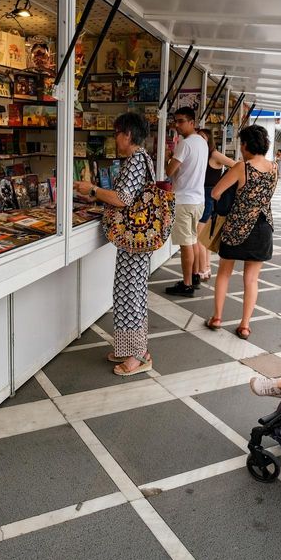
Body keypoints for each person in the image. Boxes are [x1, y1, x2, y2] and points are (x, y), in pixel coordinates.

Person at [73, 113, 156, 376]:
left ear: (127, 135)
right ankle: (129, 348)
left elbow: (124, 198)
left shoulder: (134, 161)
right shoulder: (142, 158)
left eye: (117, 133)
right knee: (129, 293)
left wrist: (93, 190)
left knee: (129, 295)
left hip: (133, 241)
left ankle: (138, 355)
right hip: (136, 239)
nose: (115, 138)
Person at [204, 126, 276, 340]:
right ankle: (244, 325)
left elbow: (216, 193)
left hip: (236, 228)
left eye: (241, 144)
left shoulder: (241, 168)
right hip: (262, 228)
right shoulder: (274, 168)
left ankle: (217, 318)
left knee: (224, 272)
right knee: (252, 279)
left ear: (246, 144)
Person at [164, 107, 208, 297]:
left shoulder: (185, 144)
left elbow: (169, 171)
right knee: (193, 239)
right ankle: (194, 276)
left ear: (192, 122)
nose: (177, 125)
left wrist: (168, 156)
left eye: (181, 121)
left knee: (186, 244)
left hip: (183, 200)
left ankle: (187, 284)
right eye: (176, 121)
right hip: (198, 200)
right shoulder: (202, 142)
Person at [193, 129, 237, 284]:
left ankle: (201, 270)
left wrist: (225, 185)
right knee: (202, 237)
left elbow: (236, 166)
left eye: (202, 137)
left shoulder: (214, 154)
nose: (199, 140)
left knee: (198, 237)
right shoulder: (200, 154)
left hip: (208, 196)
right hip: (200, 196)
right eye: (197, 137)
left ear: (209, 139)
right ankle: (205, 268)